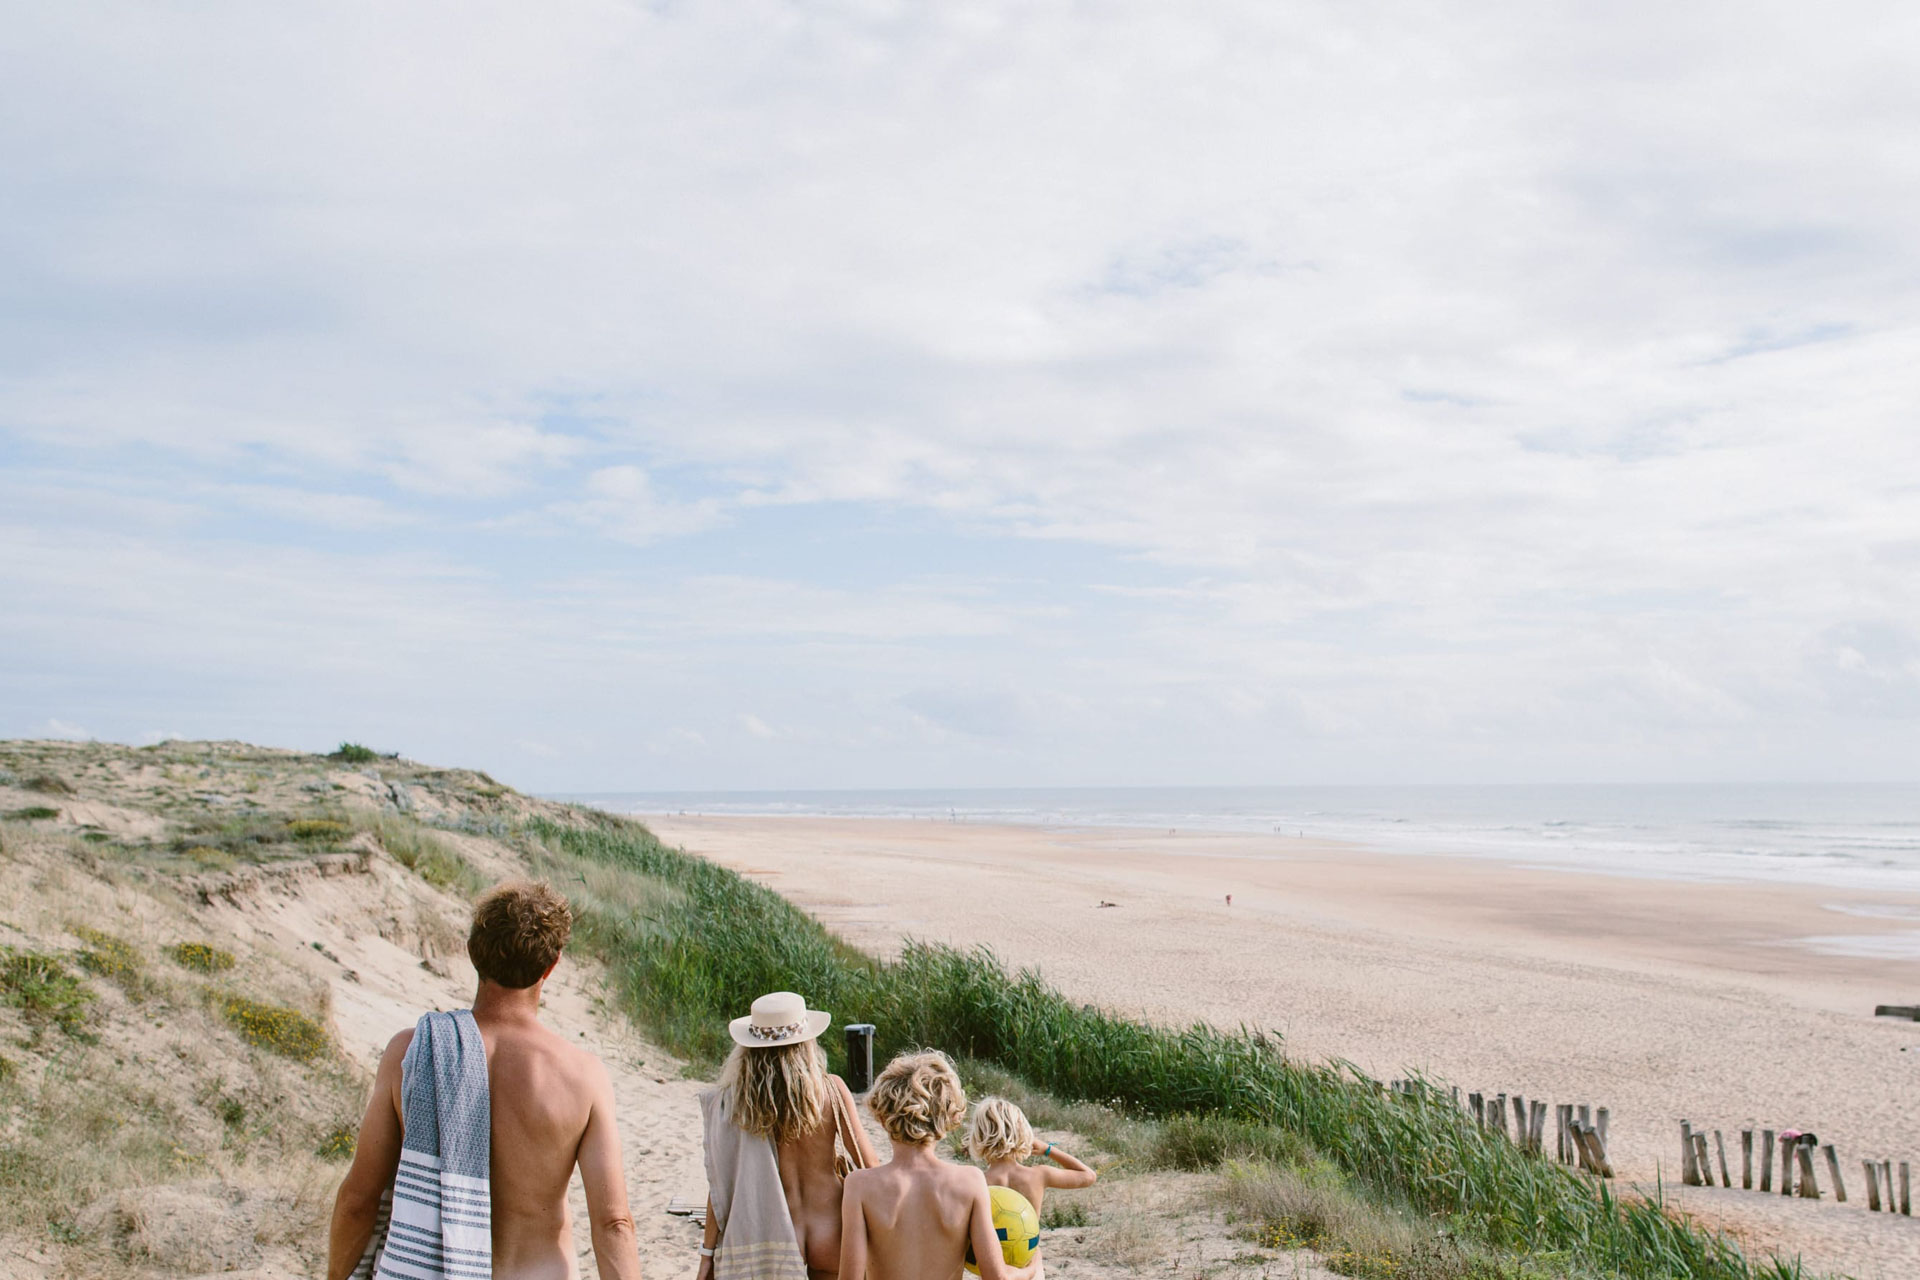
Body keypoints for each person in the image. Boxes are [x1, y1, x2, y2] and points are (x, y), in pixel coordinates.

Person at [326, 880, 640, 1280]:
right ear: (552, 964)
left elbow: (358, 1199)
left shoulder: (410, 1052)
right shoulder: (582, 1074)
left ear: (473, 952)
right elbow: (614, 1222)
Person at [698, 991, 878, 1280]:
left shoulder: (740, 1104)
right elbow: (870, 1165)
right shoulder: (831, 1090)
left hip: (777, 1231)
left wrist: (707, 1253)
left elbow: (720, 1183)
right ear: (807, 1041)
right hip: (832, 1225)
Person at [839, 1051, 1039, 1280]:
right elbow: (996, 1276)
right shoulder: (971, 1181)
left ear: (883, 1118)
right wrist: (1031, 1269)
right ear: (950, 1117)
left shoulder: (859, 1186)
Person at [965, 1097, 1096, 1222]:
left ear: (978, 1137)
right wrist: (1047, 1149)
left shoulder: (975, 1182)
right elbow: (1088, 1176)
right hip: (1029, 1246)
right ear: (1023, 1133)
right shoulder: (1039, 1175)